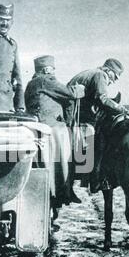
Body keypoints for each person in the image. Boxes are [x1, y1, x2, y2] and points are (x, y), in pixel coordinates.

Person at [67, 58, 129, 193]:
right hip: (75, 116)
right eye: (114, 76)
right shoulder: (100, 75)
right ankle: (91, 178)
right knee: (92, 139)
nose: (115, 80)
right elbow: (102, 99)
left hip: (75, 111)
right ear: (108, 70)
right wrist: (125, 111)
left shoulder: (91, 73)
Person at [25, 55, 85, 209]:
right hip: (51, 128)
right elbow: (69, 92)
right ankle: (58, 195)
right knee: (59, 164)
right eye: (52, 69)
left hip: (38, 126)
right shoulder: (45, 80)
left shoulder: (32, 83)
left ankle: (56, 197)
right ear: (46, 69)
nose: (53, 72)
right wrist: (80, 89)